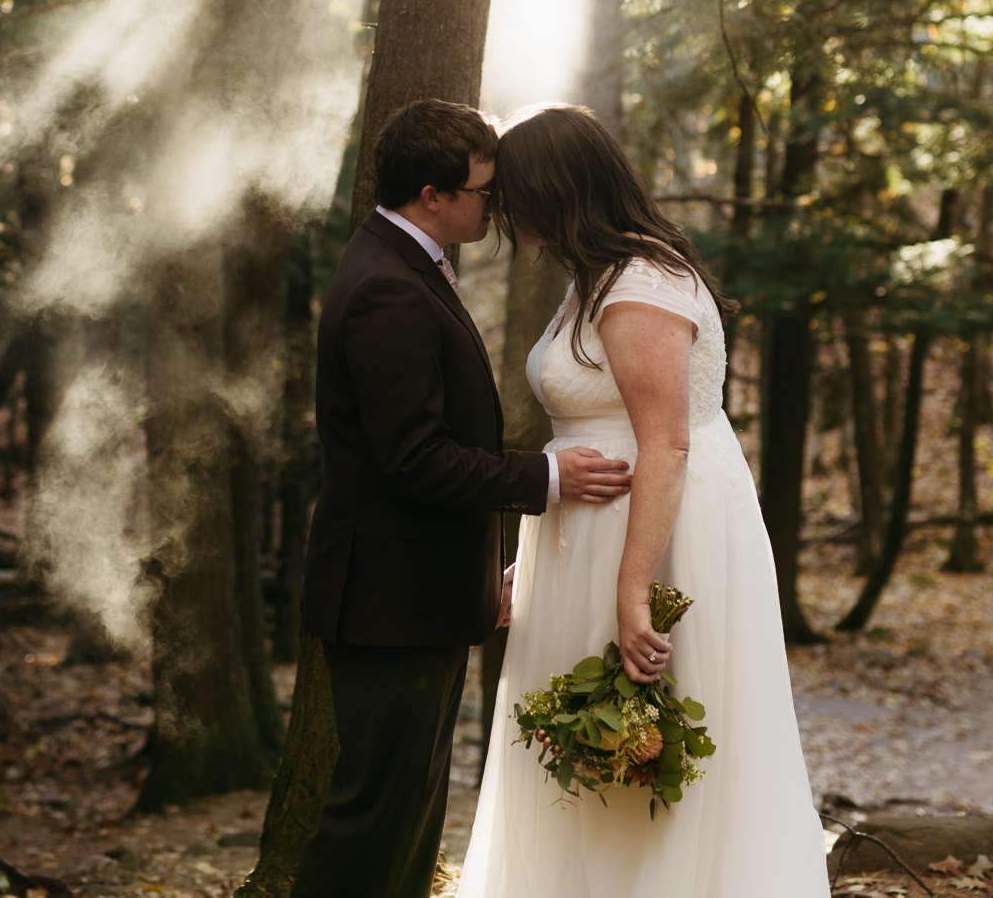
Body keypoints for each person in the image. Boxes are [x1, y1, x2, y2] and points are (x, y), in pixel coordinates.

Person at [457, 104, 830, 897]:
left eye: (513, 194)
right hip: (586, 537)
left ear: (555, 189)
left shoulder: (641, 284)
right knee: (594, 751)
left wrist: (633, 592)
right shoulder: (596, 277)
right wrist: (536, 567)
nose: (503, 213)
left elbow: (665, 441)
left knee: (646, 745)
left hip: (653, 534)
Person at [291, 98, 635, 898]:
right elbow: (414, 459)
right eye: (483, 190)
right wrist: (546, 478)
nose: (496, 203)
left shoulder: (407, 265)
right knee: (370, 818)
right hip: (387, 603)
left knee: (405, 819)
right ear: (432, 194)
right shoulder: (388, 287)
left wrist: (486, 579)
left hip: (415, 597)